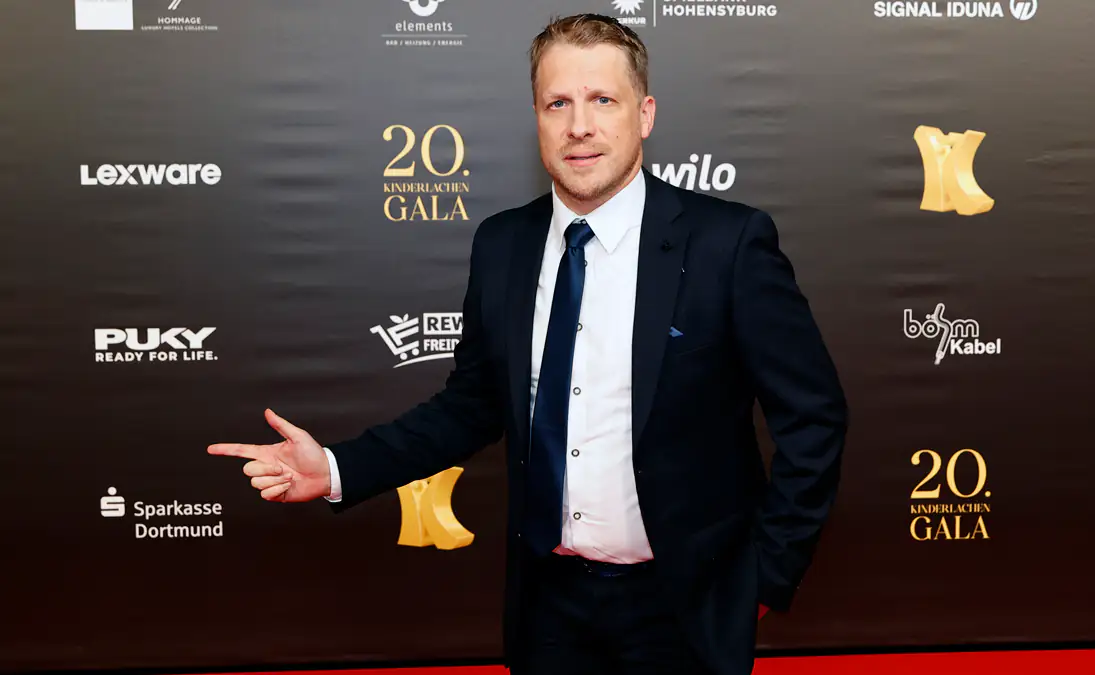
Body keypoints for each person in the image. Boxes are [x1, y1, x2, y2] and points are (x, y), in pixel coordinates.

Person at [208, 13, 847, 675]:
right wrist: (337, 468)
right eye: (558, 103)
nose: (580, 126)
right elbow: (471, 406)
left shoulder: (727, 244)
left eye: (603, 100)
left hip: (685, 609)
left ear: (645, 114)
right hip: (548, 610)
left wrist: (764, 577)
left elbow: (814, 417)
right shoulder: (503, 244)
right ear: (536, 118)